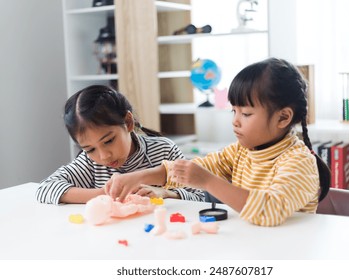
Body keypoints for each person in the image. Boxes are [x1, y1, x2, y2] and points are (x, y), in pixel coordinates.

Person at [104, 58, 331, 226]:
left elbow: (267, 210)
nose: (235, 122)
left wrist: (207, 181)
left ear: (283, 117)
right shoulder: (241, 152)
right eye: (234, 111)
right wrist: (138, 176)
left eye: (246, 114)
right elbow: (191, 170)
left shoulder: (299, 162)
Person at [36, 85, 205, 204]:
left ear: (128, 122)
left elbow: (199, 197)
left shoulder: (163, 150)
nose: (103, 156)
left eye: (109, 141)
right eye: (90, 149)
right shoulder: (90, 163)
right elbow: (46, 188)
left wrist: (166, 193)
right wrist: (102, 194)